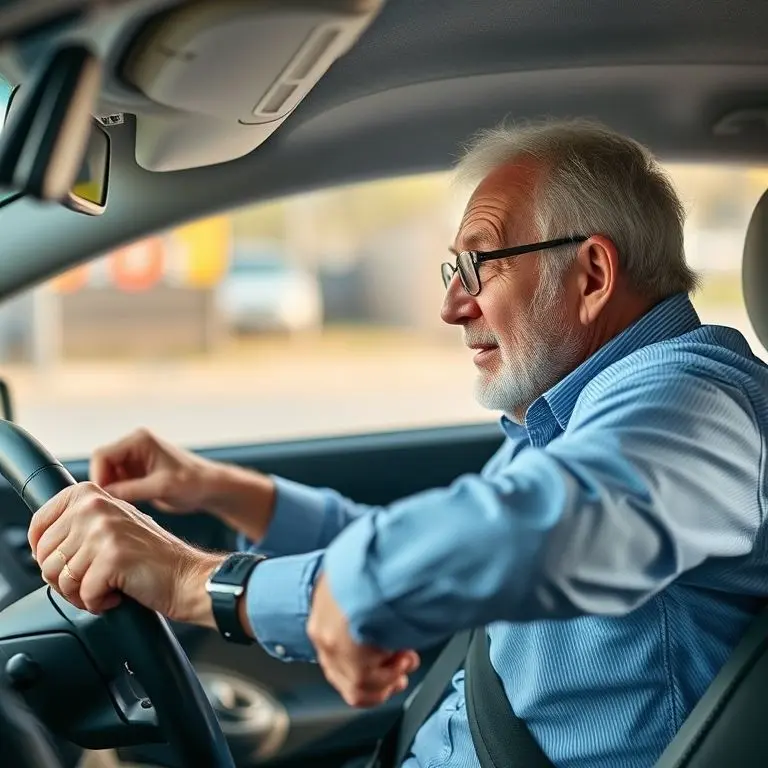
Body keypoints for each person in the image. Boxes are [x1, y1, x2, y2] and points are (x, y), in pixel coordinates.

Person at [27, 120, 768, 767]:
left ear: (593, 275)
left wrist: (198, 583)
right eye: (453, 270)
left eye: (478, 263)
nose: (451, 305)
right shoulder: (573, 412)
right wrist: (217, 489)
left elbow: (538, 526)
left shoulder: (693, 399)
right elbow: (416, 545)